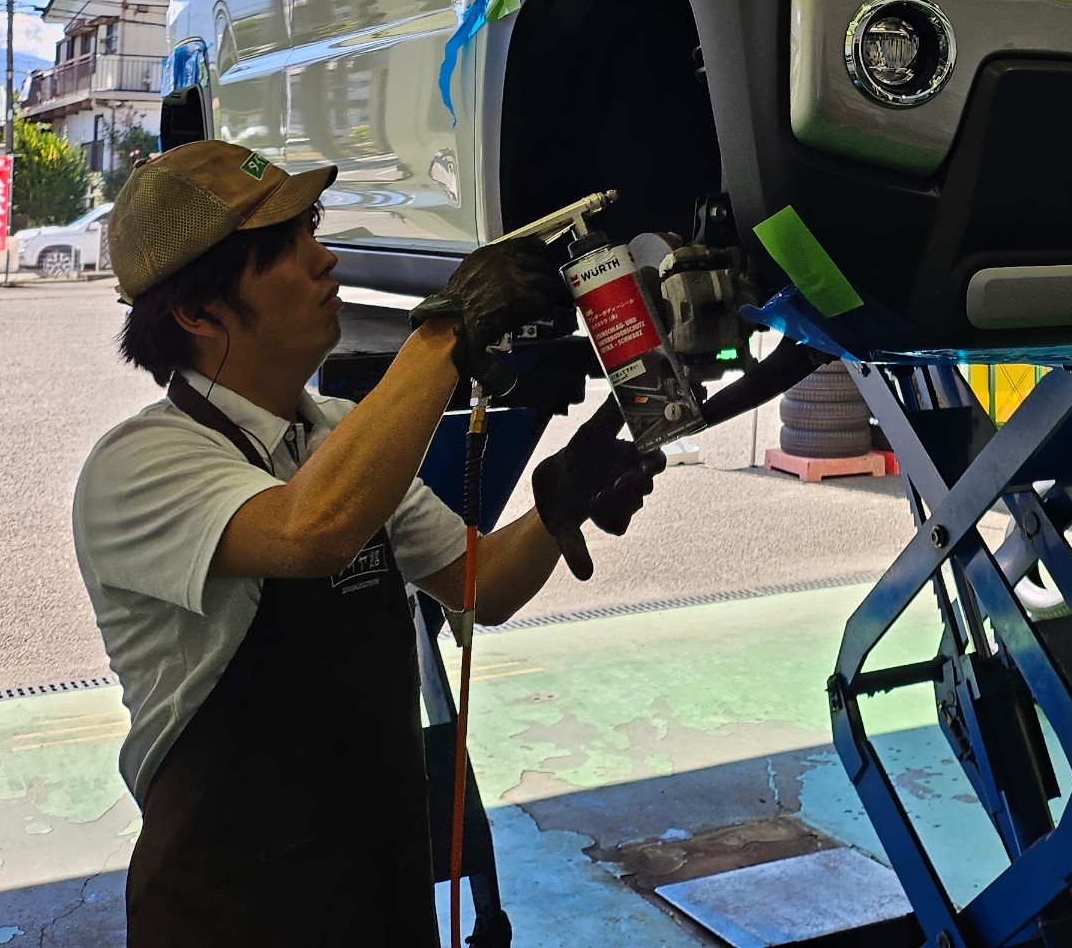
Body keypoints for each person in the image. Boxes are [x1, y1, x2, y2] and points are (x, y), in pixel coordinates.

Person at [73, 141, 662, 946]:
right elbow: (310, 531)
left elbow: (480, 585)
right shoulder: (140, 465)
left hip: (378, 896)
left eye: (312, 230)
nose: (324, 259)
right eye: (286, 247)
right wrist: (446, 333)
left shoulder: (341, 437)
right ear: (198, 313)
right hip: (233, 914)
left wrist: (557, 513)